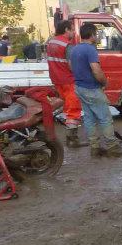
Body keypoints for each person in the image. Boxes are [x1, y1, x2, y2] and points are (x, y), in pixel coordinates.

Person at [69, 23, 122, 157]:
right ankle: (112, 146)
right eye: (95, 34)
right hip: (92, 88)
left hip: (79, 87)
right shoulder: (90, 50)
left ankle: (94, 147)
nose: (96, 36)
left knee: (89, 118)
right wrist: (104, 81)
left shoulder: (75, 49)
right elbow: (96, 70)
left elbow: (71, 67)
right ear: (91, 35)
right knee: (105, 118)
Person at [45, 19, 86, 148]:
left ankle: (71, 136)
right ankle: (72, 139)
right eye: (72, 30)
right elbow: (71, 65)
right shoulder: (67, 45)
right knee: (73, 110)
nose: (74, 33)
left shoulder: (51, 42)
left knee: (67, 108)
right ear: (66, 30)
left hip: (57, 80)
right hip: (68, 80)